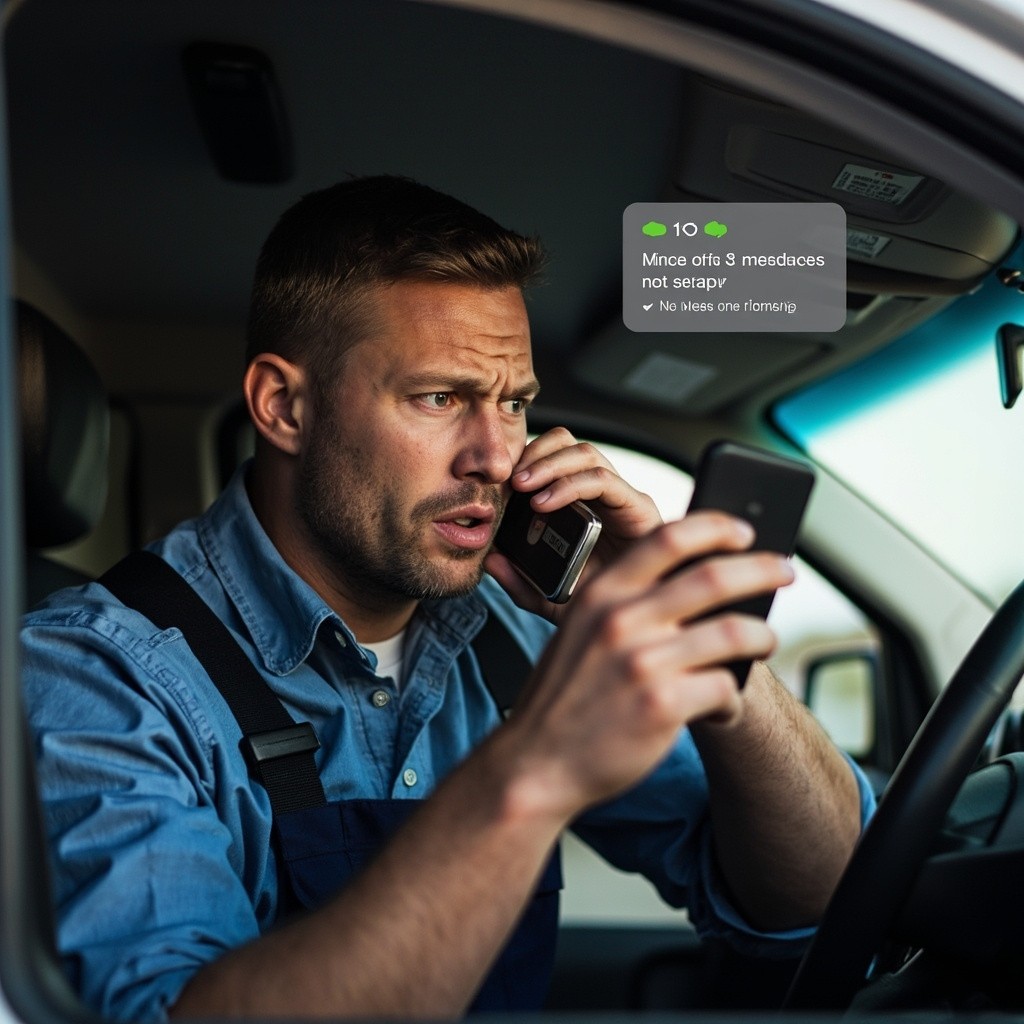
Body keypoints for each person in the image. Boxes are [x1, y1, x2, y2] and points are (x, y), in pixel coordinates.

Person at [22, 175, 873, 1022]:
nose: (498, 458)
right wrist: (533, 772)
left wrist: (711, 649)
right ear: (284, 406)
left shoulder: (522, 632)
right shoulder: (92, 676)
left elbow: (821, 899)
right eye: (440, 398)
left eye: (514, 404)